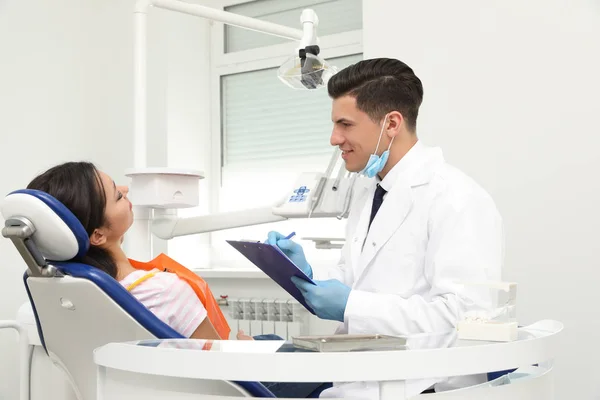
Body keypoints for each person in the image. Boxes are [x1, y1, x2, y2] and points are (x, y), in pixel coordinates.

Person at [267, 58, 504, 397]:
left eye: (345, 124)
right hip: (363, 378)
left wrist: (352, 306)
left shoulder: (457, 198)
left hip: (424, 386)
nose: (335, 138)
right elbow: (360, 277)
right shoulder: (370, 190)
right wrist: (307, 272)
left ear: (391, 123)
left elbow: (466, 322)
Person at [26, 161, 330, 398]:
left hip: (138, 388)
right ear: (97, 234)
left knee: (273, 343)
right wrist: (242, 350)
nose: (126, 190)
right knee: (324, 365)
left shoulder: (66, 288)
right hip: (210, 387)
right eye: (117, 195)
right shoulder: (161, 289)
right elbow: (220, 361)